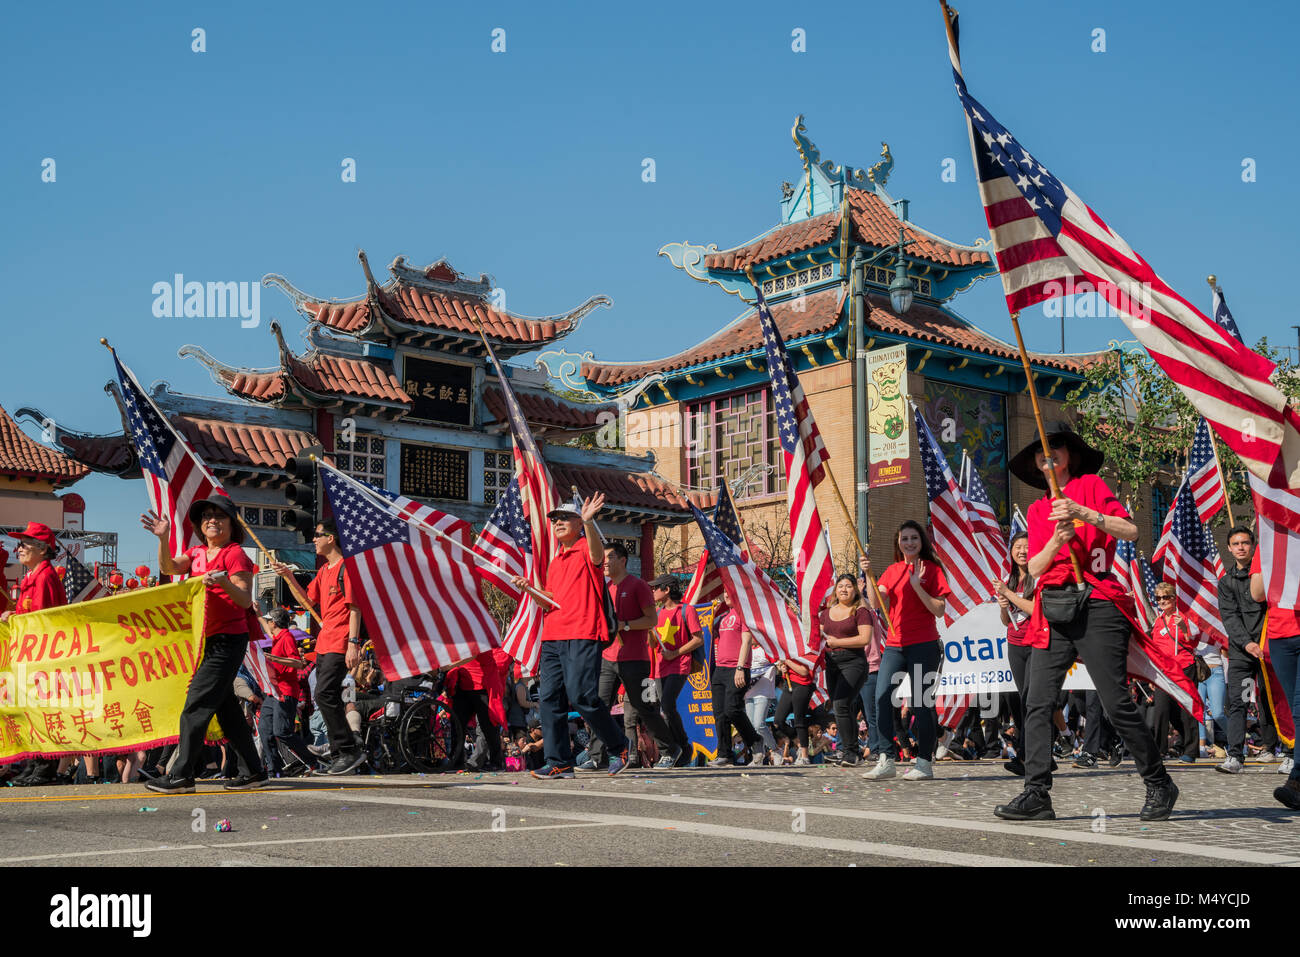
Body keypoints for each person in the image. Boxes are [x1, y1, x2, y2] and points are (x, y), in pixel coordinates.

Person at [993, 424, 1177, 822]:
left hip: (1098, 604)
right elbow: (1036, 568)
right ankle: (1037, 791)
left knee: (1114, 701)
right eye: (1041, 452)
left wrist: (1082, 513)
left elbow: (1129, 530)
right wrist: (1057, 542)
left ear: (1069, 456)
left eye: (1055, 447)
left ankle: (1159, 780)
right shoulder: (1041, 509)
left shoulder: (1091, 485)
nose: (1048, 455)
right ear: (1037, 466)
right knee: (1037, 701)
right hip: (1054, 608)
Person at [142, 497, 268, 793]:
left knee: (196, 703)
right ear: (200, 526)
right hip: (204, 640)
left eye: (220, 516)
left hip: (227, 639)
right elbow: (170, 567)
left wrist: (222, 582)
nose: (212, 520)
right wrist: (163, 539)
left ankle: (181, 775)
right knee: (227, 711)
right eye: (207, 516)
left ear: (231, 524)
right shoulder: (197, 552)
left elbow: (243, 599)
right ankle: (254, 771)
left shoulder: (234, 553)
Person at [517, 494, 631, 779]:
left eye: (564, 518)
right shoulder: (556, 560)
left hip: (582, 632)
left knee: (582, 696)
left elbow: (597, 556)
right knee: (549, 699)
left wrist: (590, 523)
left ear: (579, 522)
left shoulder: (585, 548)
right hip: (553, 635)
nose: (557, 523)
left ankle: (620, 746)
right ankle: (559, 761)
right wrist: (530, 589)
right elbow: (550, 600)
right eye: (554, 519)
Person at [272, 518, 365, 776]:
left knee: (325, 693)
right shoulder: (324, 571)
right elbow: (307, 601)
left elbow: (355, 609)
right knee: (324, 696)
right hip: (324, 642)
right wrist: (289, 576)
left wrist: (353, 644)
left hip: (341, 641)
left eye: (317, 535)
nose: (314, 540)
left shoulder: (347, 568)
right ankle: (340, 749)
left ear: (331, 538)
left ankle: (348, 747)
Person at [860, 521, 951, 781]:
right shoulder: (892, 570)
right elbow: (876, 603)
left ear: (921, 541)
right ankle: (886, 759)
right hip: (896, 645)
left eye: (914, 538)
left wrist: (917, 585)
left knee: (922, 704)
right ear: (897, 542)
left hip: (924, 644)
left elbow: (939, 609)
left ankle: (923, 762)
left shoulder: (931, 569)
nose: (909, 543)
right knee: (882, 697)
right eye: (904, 538)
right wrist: (868, 575)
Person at [587, 545, 681, 770]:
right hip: (608, 657)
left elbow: (651, 620)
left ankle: (670, 749)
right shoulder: (606, 588)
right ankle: (596, 756)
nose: (606, 562)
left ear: (623, 560)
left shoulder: (638, 585)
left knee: (644, 707)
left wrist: (624, 625)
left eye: (610, 557)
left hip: (635, 659)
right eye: (604, 557)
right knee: (597, 704)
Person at [4, 523, 68, 787]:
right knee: (32, 711)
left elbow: (44, 619)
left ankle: (45, 767)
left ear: (43, 550)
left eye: (25, 544)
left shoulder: (44, 576)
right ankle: (34, 764)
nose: (19, 549)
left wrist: (16, 616)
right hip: (31, 657)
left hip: (44, 657)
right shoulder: (33, 576)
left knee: (43, 711)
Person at [1216, 526, 1280, 773]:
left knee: (1270, 701)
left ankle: (1278, 750)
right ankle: (1235, 755)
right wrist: (1247, 643)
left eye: (1245, 542)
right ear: (1230, 548)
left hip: (1268, 649)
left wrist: (1262, 642)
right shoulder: (1226, 582)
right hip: (1242, 653)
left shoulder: (1267, 575)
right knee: (1239, 702)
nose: (1241, 547)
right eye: (1236, 543)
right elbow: (1229, 617)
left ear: (1253, 546)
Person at [1249, 541, 1300, 807]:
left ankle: (1297, 780)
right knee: (1295, 709)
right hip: (1281, 633)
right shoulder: (1270, 540)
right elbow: (1257, 592)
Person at [648, 574, 704, 766]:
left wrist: (675, 653)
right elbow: (653, 642)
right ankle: (680, 749)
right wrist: (648, 630)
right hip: (660, 667)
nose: (653, 591)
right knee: (664, 710)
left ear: (667, 590)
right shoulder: (656, 612)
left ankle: (683, 747)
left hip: (680, 664)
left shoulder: (686, 610)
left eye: (656, 588)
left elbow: (698, 639)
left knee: (667, 705)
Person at [820, 575, 875, 768]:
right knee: (843, 708)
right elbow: (818, 636)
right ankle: (850, 752)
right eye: (840, 586)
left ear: (855, 590)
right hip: (831, 664)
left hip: (854, 663)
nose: (844, 589)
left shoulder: (860, 611)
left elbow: (865, 639)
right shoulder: (826, 613)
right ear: (835, 590)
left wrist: (837, 642)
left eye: (848, 586)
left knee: (841, 704)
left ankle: (851, 752)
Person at [1147, 583, 1201, 764]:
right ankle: (1159, 749)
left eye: (1166, 597)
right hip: (1164, 671)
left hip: (1184, 667)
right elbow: (1155, 648)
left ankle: (1191, 750)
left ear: (1173, 598)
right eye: (1159, 598)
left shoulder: (1184, 617)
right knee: (1162, 710)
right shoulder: (1158, 620)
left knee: (1186, 709)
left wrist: (1184, 628)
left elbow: (1192, 642)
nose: (1162, 601)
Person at [259, 608, 318, 775]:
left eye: (268, 620)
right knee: (265, 730)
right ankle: (273, 769)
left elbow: (297, 663)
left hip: (285, 692)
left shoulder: (287, 637)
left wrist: (273, 658)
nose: (267, 623)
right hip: (273, 692)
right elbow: (269, 633)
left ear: (274, 623)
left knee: (282, 732)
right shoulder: (278, 637)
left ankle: (313, 761)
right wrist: (257, 613)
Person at [996, 531, 1036, 776]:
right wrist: (1003, 606)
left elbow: (1034, 608)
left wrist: (1008, 595)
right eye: (1017, 547)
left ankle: (1029, 756)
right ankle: (1028, 755)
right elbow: (1006, 621)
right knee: (1022, 700)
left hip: (1036, 644)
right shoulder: (1009, 580)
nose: (1022, 551)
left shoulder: (1039, 578)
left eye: (1026, 546)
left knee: (1033, 700)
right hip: (1015, 644)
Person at [707, 593, 762, 767]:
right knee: (719, 713)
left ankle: (755, 740)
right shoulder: (723, 617)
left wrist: (740, 667)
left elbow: (746, 641)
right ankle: (724, 754)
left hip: (737, 668)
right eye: (724, 591)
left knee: (732, 709)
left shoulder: (744, 614)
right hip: (719, 669)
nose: (725, 594)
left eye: (729, 590)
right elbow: (709, 634)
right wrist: (712, 615)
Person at [772, 625, 821, 767]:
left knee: (799, 719)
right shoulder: (788, 648)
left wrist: (786, 661)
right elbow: (786, 668)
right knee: (778, 721)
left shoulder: (808, 648)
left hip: (803, 686)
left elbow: (804, 671)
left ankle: (804, 755)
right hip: (789, 686)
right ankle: (799, 742)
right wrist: (782, 668)